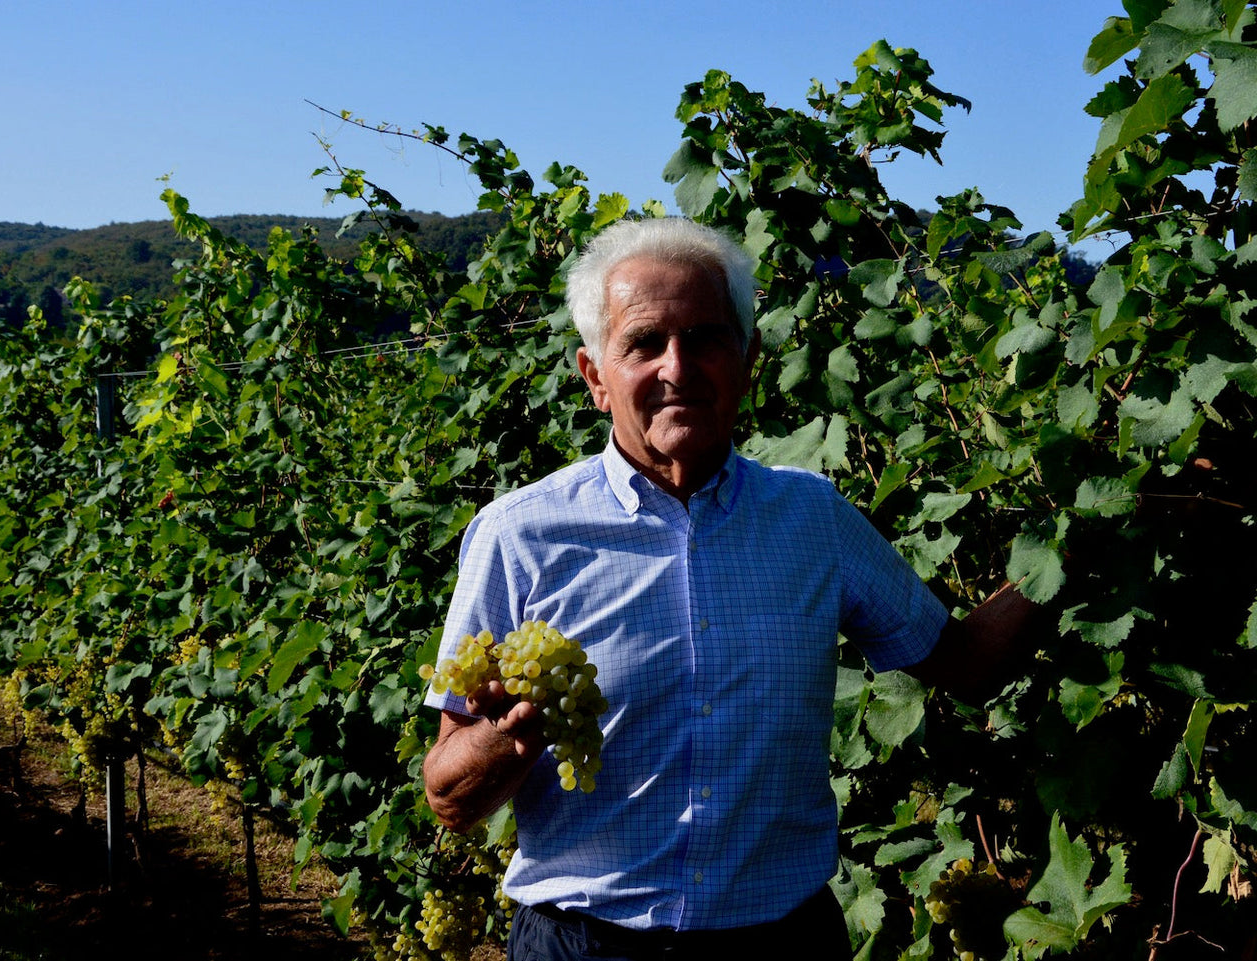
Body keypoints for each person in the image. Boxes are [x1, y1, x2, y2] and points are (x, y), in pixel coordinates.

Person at [422, 217, 1036, 961]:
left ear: (746, 362)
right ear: (594, 376)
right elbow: (449, 796)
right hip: (583, 945)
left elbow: (965, 662)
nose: (677, 367)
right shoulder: (520, 534)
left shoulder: (813, 519)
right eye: (643, 343)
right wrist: (508, 738)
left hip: (783, 943)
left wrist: (1075, 546)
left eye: (706, 338)